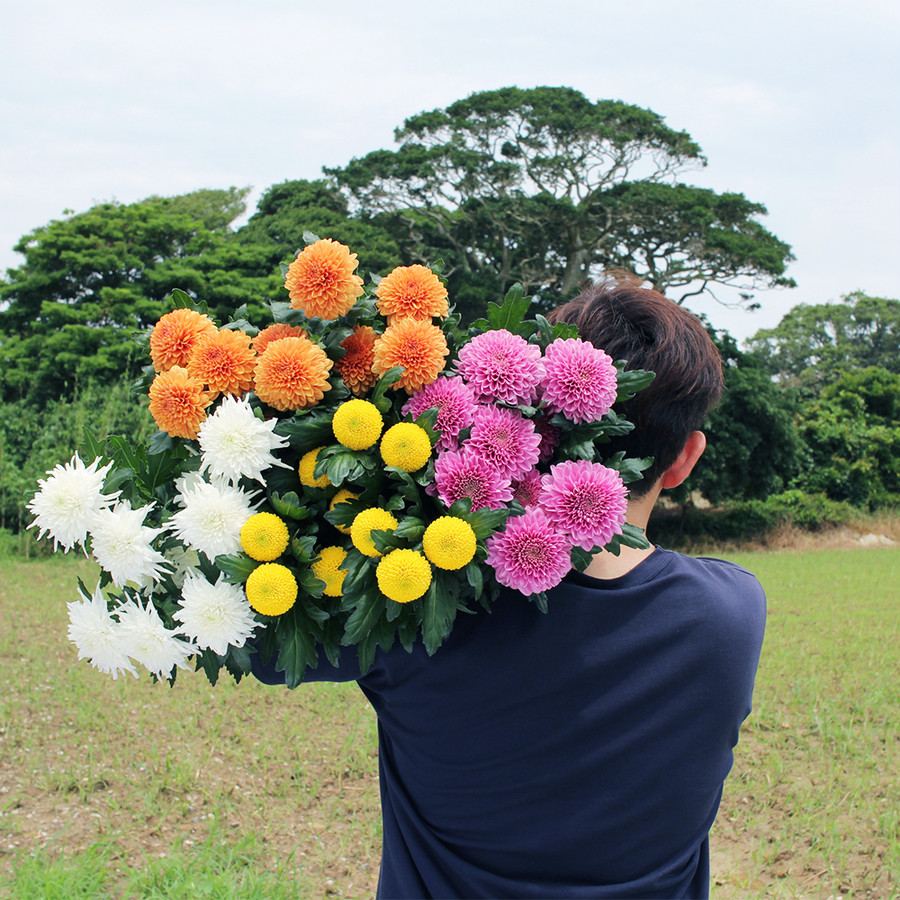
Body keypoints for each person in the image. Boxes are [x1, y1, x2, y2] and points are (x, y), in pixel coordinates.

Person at [252, 273, 767, 899]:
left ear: (529, 408)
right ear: (686, 457)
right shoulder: (732, 614)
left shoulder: (418, 604)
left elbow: (266, 652)